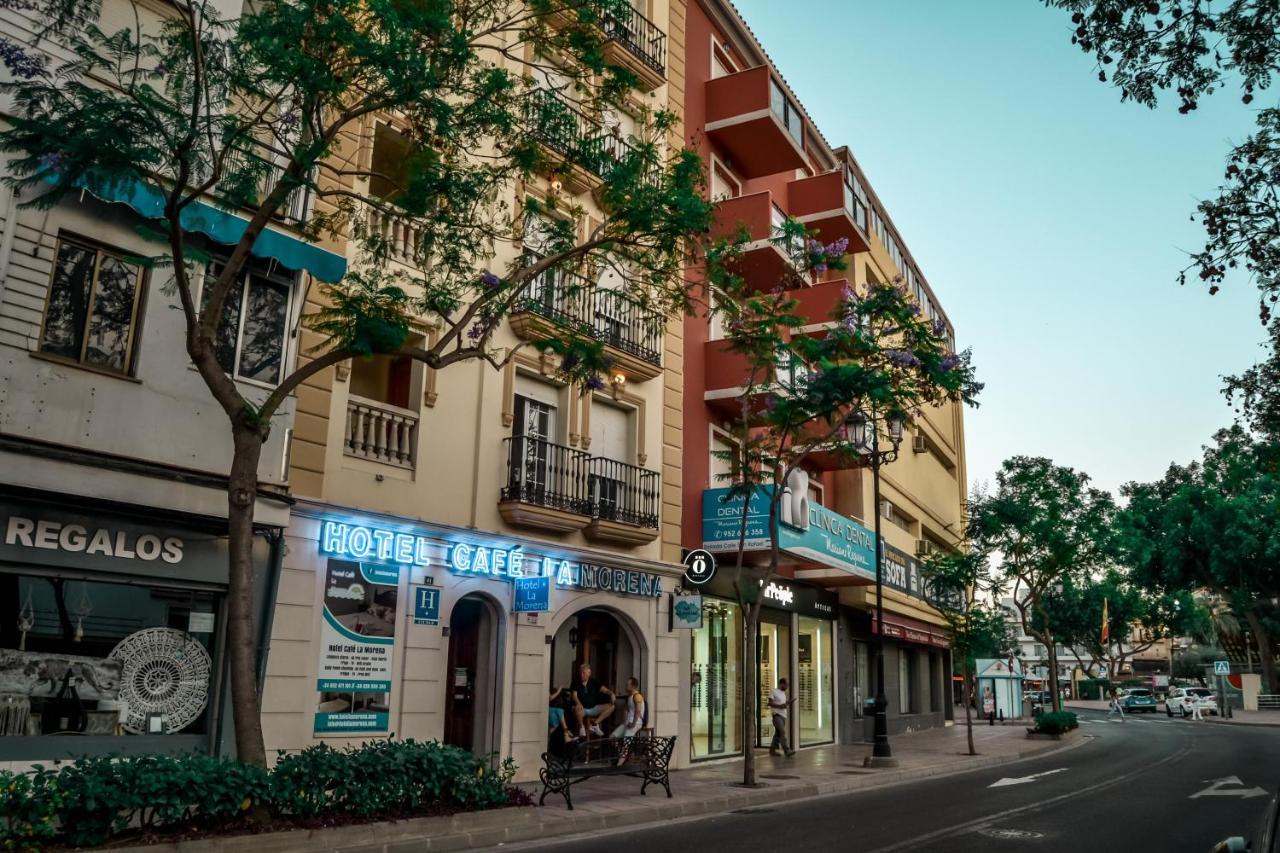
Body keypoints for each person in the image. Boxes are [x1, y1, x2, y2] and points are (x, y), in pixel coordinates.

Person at [570, 663, 616, 737]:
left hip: (593, 708)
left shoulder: (594, 682)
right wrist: (578, 703)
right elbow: (574, 696)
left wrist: (612, 694)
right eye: (580, 672)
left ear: (589, 673)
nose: (581, 675)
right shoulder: (575, 682)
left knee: (612, 706)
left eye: (584, 673)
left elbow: (605, 690)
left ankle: (594, 724)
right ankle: (582, 727)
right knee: (577, 708)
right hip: (582, 709)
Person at [767, 677, 796, 757]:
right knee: (782, 732)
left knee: (778, 734)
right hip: (777, 715)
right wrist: (780, 706)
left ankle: (772, 750)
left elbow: (783, 703)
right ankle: (787, 750)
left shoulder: (783, 693)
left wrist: (788, 702)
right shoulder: (774, 691)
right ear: (782, 684)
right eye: (787, 685)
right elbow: (769, 703)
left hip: (783, 716)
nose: (787, 687)